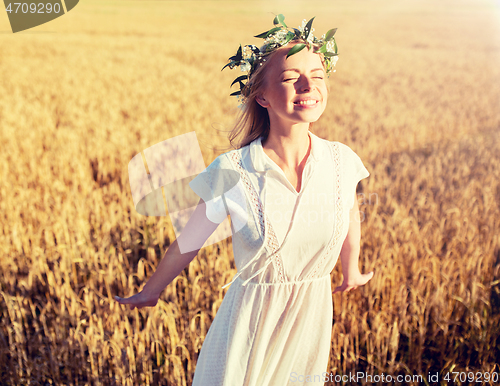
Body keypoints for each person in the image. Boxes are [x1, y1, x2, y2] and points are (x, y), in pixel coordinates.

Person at [115, 14, 374, 386]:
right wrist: (151, 291)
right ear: (262, 96)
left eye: (318, 75)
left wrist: (351, 269)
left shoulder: (342, 161)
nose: (308, 85)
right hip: (248, 327)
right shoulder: (233, 170)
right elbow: (190, 241)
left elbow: (349, 213)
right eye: (290, 78)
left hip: (310, 323)